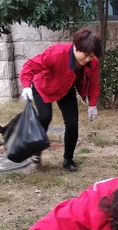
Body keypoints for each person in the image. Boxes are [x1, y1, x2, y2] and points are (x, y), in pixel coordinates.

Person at [19, 27, 103, 172]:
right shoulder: (56, 53)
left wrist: (92, 105)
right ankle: (35, 153)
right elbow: (30, 66)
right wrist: (26, 86)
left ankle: (68, 160)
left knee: (72, 124)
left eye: (91, 56)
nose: (88, 59)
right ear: (76, 46)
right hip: (43, 86)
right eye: (85, 55)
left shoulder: (92, 62)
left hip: (66, 88)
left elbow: (94, 84)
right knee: (45, 117)